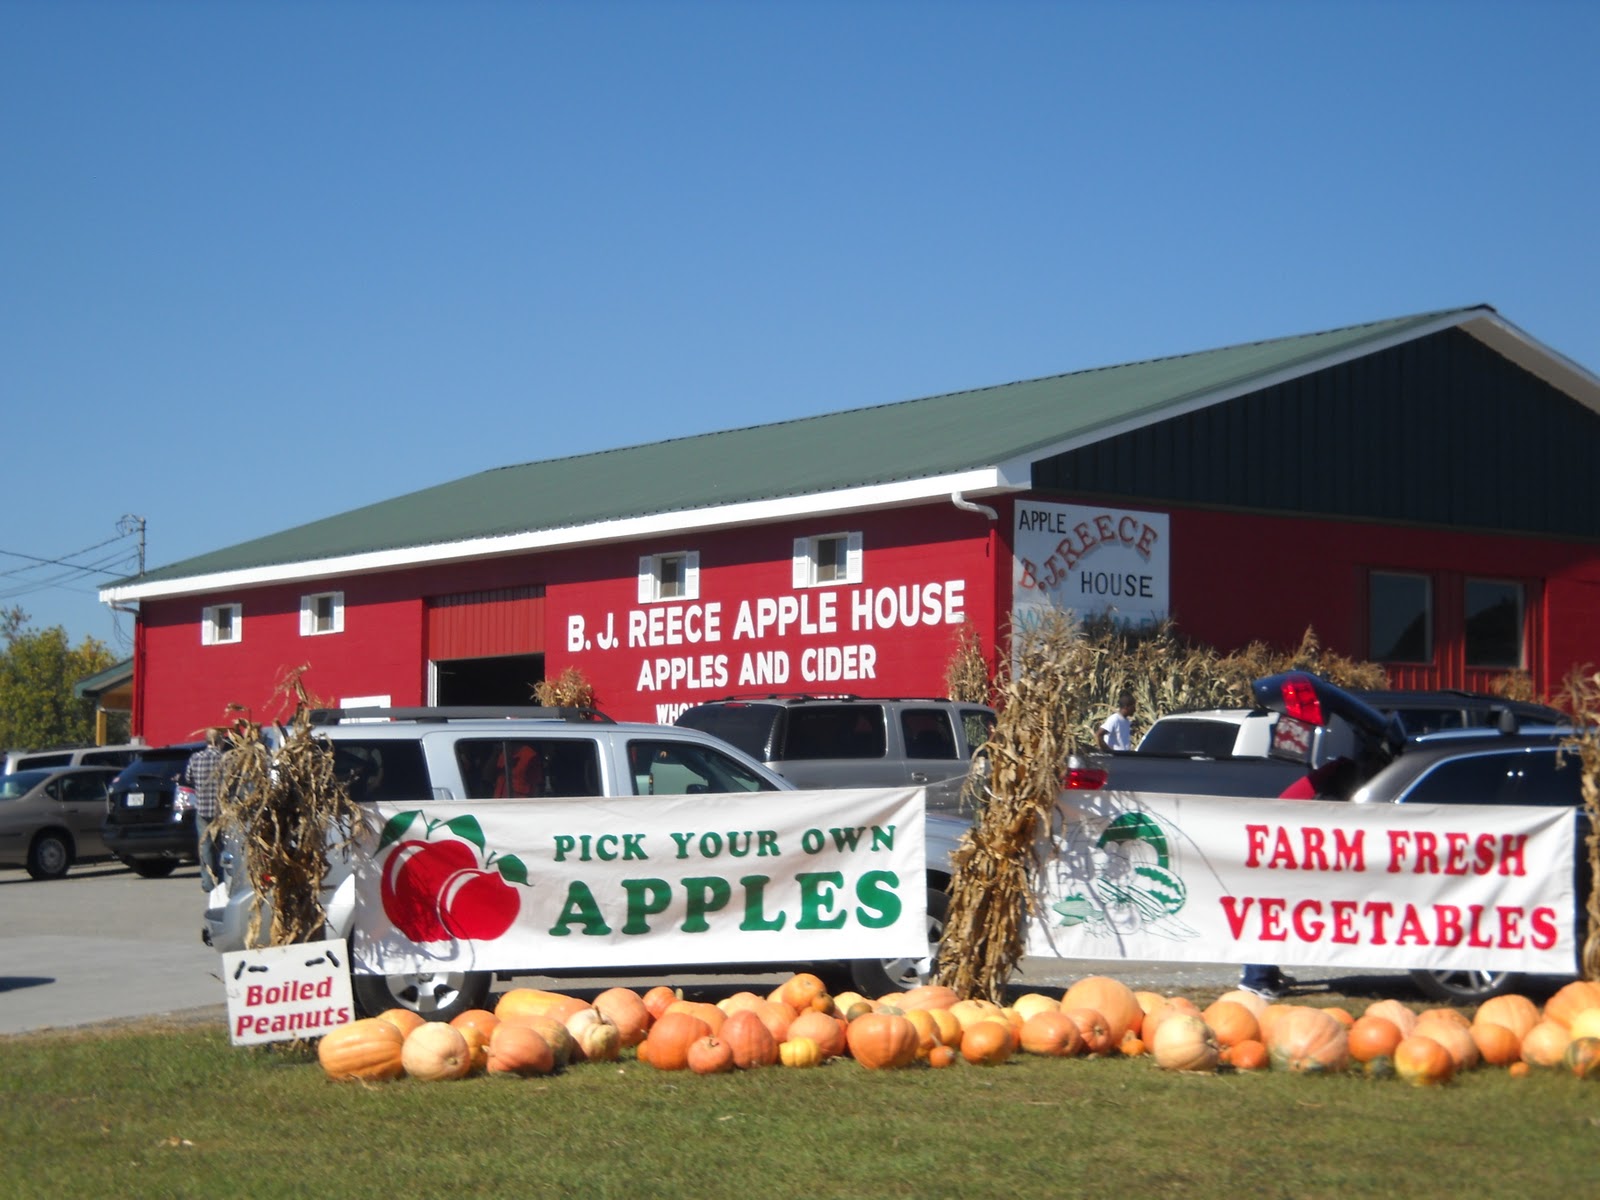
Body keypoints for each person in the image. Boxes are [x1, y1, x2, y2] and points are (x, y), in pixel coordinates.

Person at [184, 728, 225, 884]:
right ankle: (222, 879)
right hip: (220, 808)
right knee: (220, 844)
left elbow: (188, 778)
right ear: (220, 741)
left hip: (201, 807)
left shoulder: (195, 758)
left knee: (205, 845)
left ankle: (208, 881)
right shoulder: (224, 759)